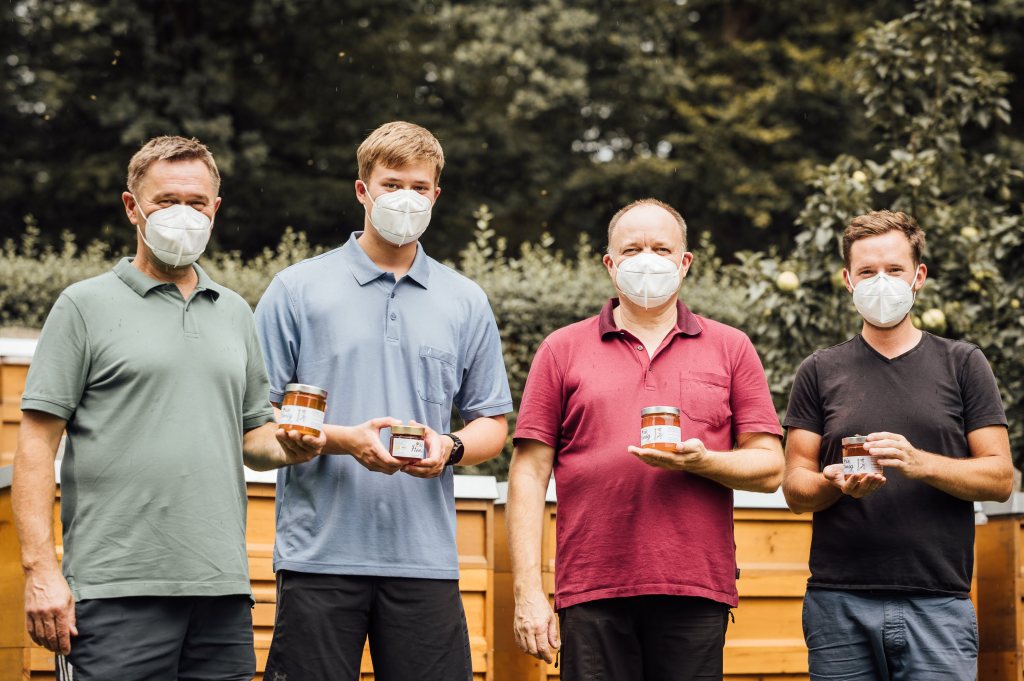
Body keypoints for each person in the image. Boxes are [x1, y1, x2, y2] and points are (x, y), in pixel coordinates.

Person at [12, 135, 325, 681]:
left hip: (221, 591)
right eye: (166, 201)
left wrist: (298, 444)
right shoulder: (83, 307)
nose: (184, 214)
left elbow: (255, 438)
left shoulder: (233, 313)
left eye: (197, 202)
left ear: (215, 210)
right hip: (114, 590)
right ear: (133, 208)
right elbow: (36, 445)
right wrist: (40, 570)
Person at [254, 120, 512, 681]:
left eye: (419, 187)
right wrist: (345, 441)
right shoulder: (296, 290)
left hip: (425, 558)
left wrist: (450, 447)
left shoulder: (465, 301)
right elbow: (255, 421)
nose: (406, 198)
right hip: (318, 555)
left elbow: (493, 422)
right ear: (362, 190)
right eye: (392, 183)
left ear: (436, 195)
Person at [507, 198, 784, 681]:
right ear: (610, 264)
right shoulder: (561, 349)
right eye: (632, 249)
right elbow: (529, 474)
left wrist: (704, 463)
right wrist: (528, 593)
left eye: (661, 247)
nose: (648, 259)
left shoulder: (731, 347)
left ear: (685, 262)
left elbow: (770, 467)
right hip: (592, 589)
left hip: (694, 588)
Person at [782, 210, 1014, 681]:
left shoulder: (963, 363)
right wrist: (834, 485)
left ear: (918, 277)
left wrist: (919, 462)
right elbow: (794, 486)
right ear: (848, 280)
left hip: (939, 602)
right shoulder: (819, 370)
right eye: (867, 272)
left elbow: (999, 477)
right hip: (837, 601)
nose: (880, 282)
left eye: (894, 270)